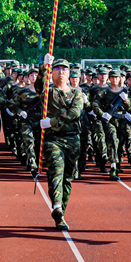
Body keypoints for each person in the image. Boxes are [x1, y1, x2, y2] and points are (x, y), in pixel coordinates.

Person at [38, 56, 84, 230]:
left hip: (72, 139)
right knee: (56, 171)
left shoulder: (76, 93)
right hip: (53, 139)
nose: (61, 72)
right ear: (53, 73)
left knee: (67, 178)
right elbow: (39, 86)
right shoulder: (48, 92)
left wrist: (52, 121)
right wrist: (44, 67)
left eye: (64, 69)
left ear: (69, 73)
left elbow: (75, 113)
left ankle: (60, 213)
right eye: (57, 69)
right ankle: (56, 205)